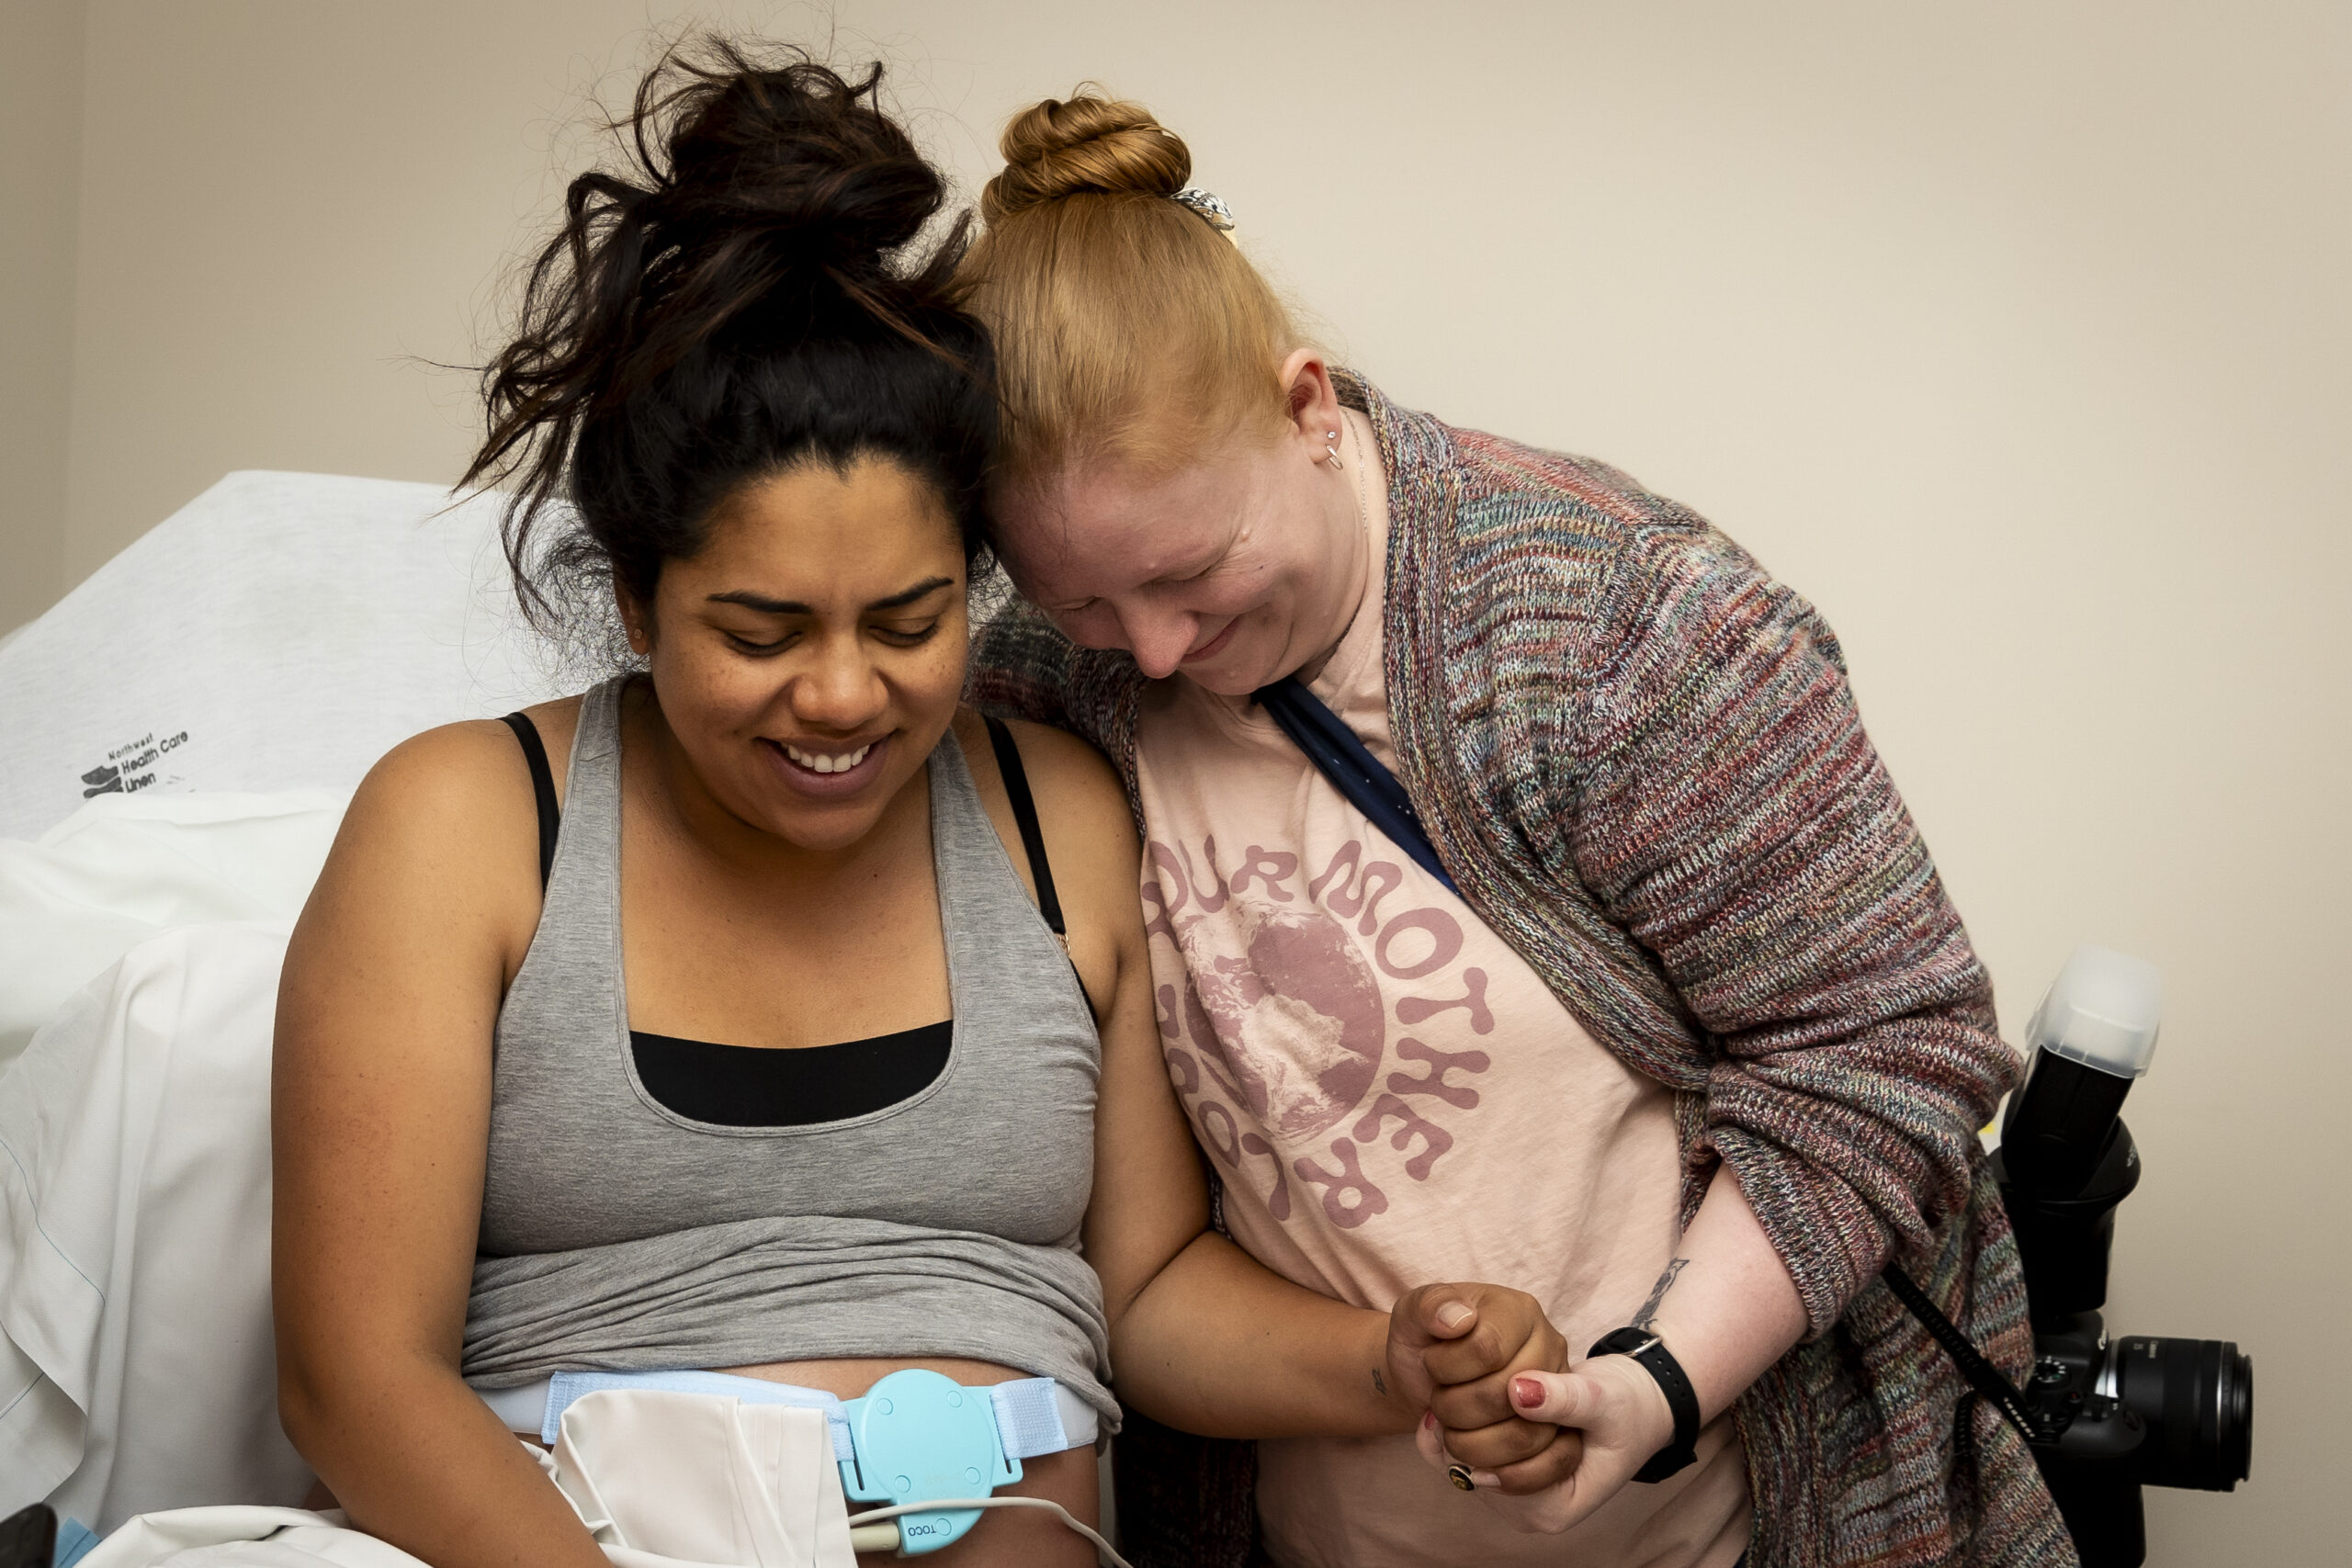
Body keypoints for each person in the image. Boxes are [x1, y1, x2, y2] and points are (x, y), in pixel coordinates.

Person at [75, 46, 1460, 1568]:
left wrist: (1382, 1364)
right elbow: (355, 1381)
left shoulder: (1056, 817)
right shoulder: (467, 827)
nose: (846, 698)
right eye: (761, 634)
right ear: (635, 601)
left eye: (912, 621)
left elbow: (1146, 1302)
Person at [959, 95, 2076, 1568]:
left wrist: (1650, 1382)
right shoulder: (1051, 689)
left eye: (1191, 574)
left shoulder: (1617, 628)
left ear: (1305, 409)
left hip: (1740, 1522)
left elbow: (1886, 1046)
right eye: (1084, 598)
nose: (1154, 652)